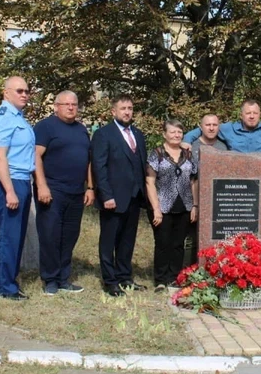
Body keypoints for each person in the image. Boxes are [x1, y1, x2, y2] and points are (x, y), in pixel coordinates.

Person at [34, 91, 93, 295]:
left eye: (74, 104)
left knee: (69, 236)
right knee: (50, 235)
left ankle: (63, 278)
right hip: (52, 190)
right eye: (66, 104)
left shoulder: (81, 129)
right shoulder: (45, 127)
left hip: (76, 192)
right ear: (56, 106)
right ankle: (50, 280)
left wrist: (91, 187)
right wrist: (41, 185)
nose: (70, 108)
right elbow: (36, 156)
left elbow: (88, 161)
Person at [91, 95, 148, 296]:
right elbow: (99, 167)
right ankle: (110, 281)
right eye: (123, 108)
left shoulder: (138, 135)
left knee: (127, 240)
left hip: (133, 197)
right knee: (109, 241)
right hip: (113, 198)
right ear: (113, 111)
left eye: (130, 108)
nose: (127, 112)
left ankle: (125, 276)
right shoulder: (103, 135)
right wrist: (106, 195)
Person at [0, 76, 36, 300]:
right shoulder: (3, 118)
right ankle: (5, 288)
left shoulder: (18, 117)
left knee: (16, 235)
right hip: (10, 181)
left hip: (21, 179)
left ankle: (11, 282)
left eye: (26, 91)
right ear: (6, 93)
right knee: (9, 236)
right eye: (19, 91)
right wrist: (9, 191)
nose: (24, 94)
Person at [145, 119, 199, 290]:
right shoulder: (156, 154)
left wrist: (195, 206)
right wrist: (156, 209)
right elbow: (150, 182)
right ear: (164, 134)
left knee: (178, 244)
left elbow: (193, 181)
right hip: (163, 205)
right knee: (163, 243)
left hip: (184, 205)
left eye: (179, 132)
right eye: (172, 132)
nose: (176, 135)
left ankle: (174, 277)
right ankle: (160, 279)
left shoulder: (188, 154)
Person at [183, 98, 261, 153]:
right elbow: (205, 129)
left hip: (259, 178)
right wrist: (187, 140)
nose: (251, 116)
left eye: (255, 113)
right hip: (235, 178)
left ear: (259, 114)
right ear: (241, 115)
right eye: (248, 113)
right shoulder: (228, 129)